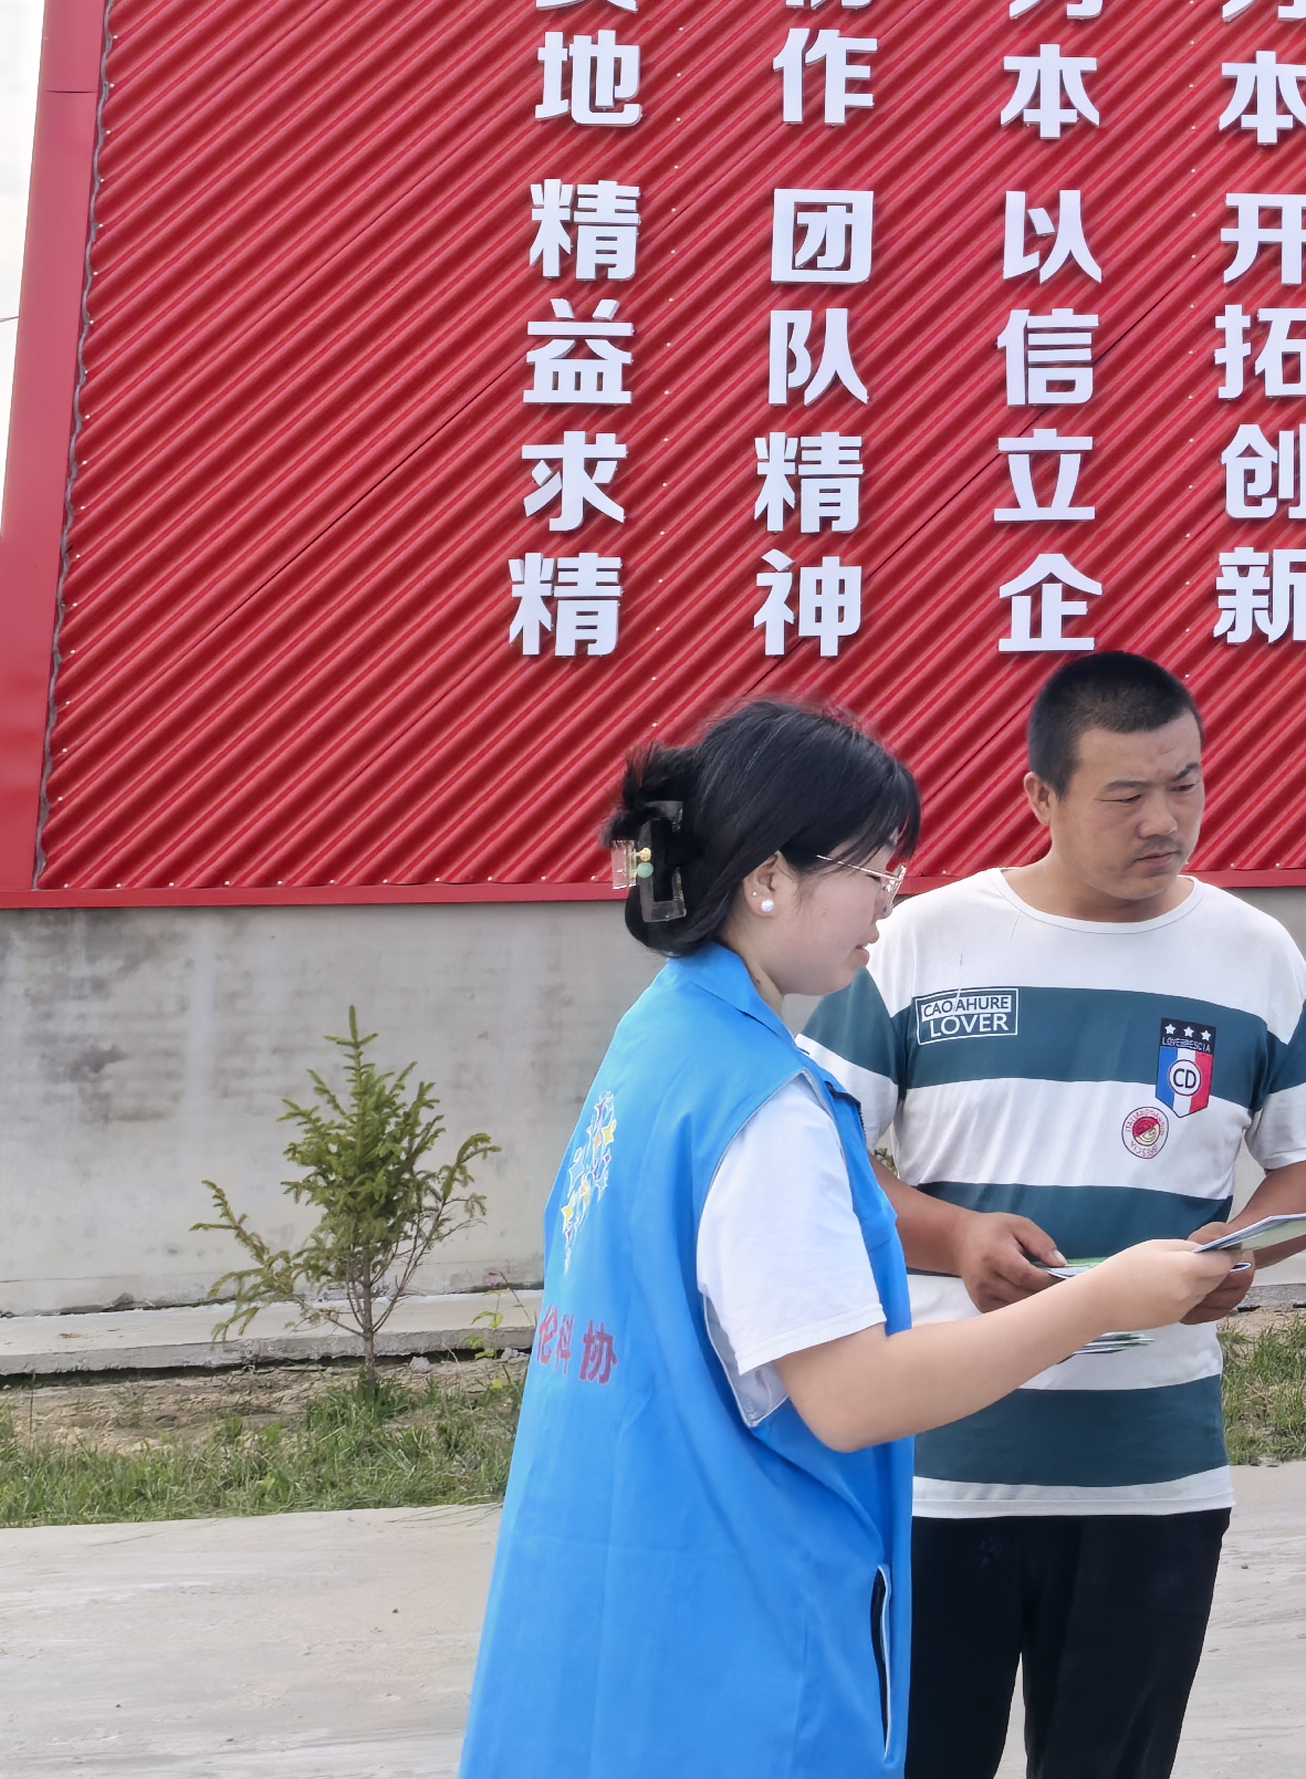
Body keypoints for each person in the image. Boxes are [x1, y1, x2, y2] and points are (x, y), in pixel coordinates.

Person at [461, 698, 1228, 1779]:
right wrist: (1101, 1301)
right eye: (873, 869)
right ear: (770, 878)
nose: (888, 900)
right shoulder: (765, 1106)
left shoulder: (659, 1041)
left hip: (613, 1595)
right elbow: (853, 1396)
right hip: (735, 1637)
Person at [806, 652, 1306, 1779]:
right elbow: (819, 1164)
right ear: (1040, 798)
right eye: (1126, 795)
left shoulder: (1255, 956)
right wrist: (956, 1237)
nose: (1164, 821)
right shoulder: (917, 943)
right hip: (942, 1473)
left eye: (1185, 785)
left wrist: (1237, 1248)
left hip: (1154, 1475)